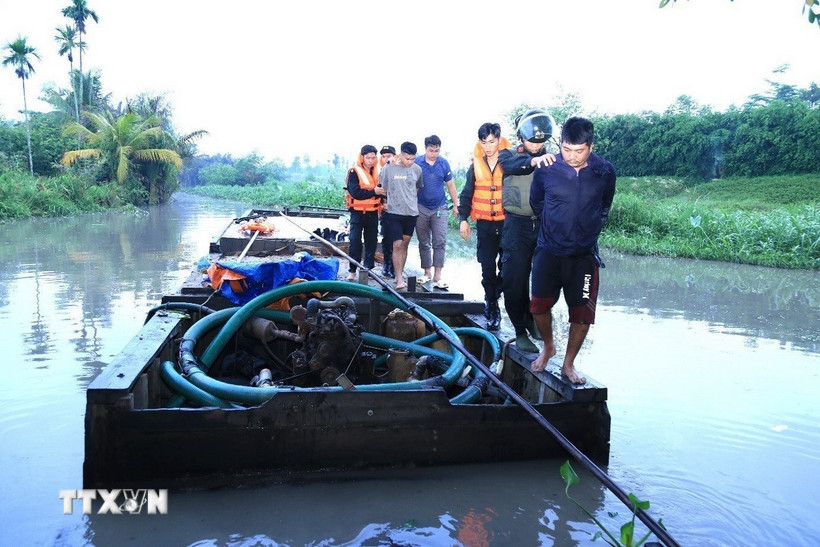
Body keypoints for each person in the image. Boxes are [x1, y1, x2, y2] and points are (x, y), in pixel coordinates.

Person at [529, 117, 616, 384]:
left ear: (591, 146)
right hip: (549, 250)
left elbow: (604, 207)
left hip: (583, 255)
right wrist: (556, 228)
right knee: (538, 306)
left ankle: (568, 364)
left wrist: (585, 232)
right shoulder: (547, 169)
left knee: (582, 314)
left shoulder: (605, 171)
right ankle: (548, 346)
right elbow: (537, 204)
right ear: (560, 144)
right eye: (567, 149)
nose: (572, 157)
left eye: (579, 151)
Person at [498, 109, 556, 352]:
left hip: (544, 226)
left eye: (541, 141)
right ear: (522, 137)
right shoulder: (508, 156)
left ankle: (535, 321)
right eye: (532, 140)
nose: (536, 145)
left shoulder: (554, 158)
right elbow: (511, 165)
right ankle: (520, 330)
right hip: (516, 226)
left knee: (545, 280)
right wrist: (533, 161)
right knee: (514, 279)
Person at [458, 123, 511, 330]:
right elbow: (467, 192)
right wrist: (463, 219)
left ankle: (494, 293)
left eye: (492, 141)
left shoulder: (510, 160)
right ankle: (492, 305)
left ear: (499, 140)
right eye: (484, 142)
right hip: (485, 225)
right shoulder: (475, 165)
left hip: (508, 223)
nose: (488, 147)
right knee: (487, 267)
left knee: (509, 269)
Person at [414, 135, 459, 287]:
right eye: (431, 150)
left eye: (437, 150)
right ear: (425, 148)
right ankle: (427, 272)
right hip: (420, 207)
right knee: (423, 241)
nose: (434, 153)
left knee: (440, 241)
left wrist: (456, 204)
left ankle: (438, 275)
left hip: (440, 207)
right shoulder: (417, 162)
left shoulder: (443, 164)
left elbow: (451, 185)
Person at [380, 141, 424, 290]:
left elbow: (417, 188)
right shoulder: (389, 168)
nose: (410, 162)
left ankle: (400, 273)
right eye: (407, 159)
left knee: (404, 244)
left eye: (413, 159)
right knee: (397, 244)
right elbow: (383, 187)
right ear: (401, 155)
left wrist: (408, 199)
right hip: (394, 212)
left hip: (411, 213)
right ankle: (398, 278)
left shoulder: (417, 170)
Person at [344, 144, 385, 281]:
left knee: (371, 241)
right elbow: (355, 192)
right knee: (355, 241)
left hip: (372, 213)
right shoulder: (353, 172)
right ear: (362, 157)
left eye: (373, 158)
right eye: (368, 158)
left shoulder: (378, 172)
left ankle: (368, 269)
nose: (371, 160)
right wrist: (374, 192)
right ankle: (352, 270)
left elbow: (383, 191)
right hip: (357, 212)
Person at [378, 145, 396, 278]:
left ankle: (395, 267)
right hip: (385, 210)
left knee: (398, 239)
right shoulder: (379, 171)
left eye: (388, 155)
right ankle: (386, 264)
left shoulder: (401, 169)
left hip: (399, 210)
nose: (386, 159)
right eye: (383, 156)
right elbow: (378, 190)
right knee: (387, 239)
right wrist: (384, 202)